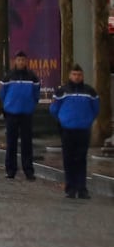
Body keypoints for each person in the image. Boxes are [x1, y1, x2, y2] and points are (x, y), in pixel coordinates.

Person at [49, 63, 98, 200]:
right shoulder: (62, 91)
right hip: (67, 130)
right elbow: (53, 109)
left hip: (83, 129)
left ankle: (82, 188)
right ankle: (70, 188)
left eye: (79, 75)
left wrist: (87, 120)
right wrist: (63, 120)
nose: (77, 77)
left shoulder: (90, 92)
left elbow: (96, 109)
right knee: (69, 159)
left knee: (81, 159)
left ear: (83, 76)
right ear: (70, 75)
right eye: (74, 74)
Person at [0, 50, 41, 180]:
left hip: (26, 113)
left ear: (26, 61)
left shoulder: (32, 77)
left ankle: (28, 169)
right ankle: (10, 169)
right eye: (19, 60)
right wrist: (7, 105)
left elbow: (36, 93)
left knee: (27, 143)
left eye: (23, 60)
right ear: (15, 61)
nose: (21, 62)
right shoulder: (8, 76)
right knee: (11, 142)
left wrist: (31, 105)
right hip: (12, 112)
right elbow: (2, 93)